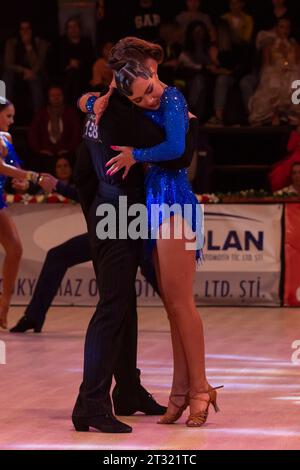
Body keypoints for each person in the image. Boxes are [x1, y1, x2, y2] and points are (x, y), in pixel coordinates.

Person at [73, 37, 202, 433]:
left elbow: (81, 170)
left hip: (121, 210)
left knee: (127, 305)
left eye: (152, 80)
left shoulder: (104, 106)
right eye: (144, 83)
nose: (152, 90)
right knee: (115, 306)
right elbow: (179, 152)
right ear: (127, 78)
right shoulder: (118, 113)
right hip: (120, 212)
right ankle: (91, 403)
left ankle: (128, 390)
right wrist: (186, 121)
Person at [102, 38, 223, 428]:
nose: (149, 101)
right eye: (140, 100)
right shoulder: (136, 97)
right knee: (172, 306)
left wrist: (136, 155)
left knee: (181, 304)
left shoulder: (172, 96)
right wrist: (95, 100)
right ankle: (180, 392)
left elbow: (175, 147)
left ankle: (200, 388)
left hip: (176, 203)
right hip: (155, 207)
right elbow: (89, 102)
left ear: (153, 75)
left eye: (149, 91)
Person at [0, 97, 41, 329]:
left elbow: (15, 168)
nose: (12, 121)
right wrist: (31, 177)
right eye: (8, 116)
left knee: (15, 249)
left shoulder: (7, 138)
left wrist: (22, 182)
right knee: (14, 248)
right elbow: (1, 167)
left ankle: (4, 306)